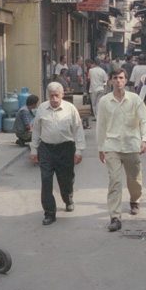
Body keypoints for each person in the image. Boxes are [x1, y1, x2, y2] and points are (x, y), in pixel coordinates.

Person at [97, 68, 146, 231]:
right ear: (111, 81)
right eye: (115, 78)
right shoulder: (105, 101)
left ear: (126, 80)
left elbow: (145, 121)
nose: (118, 80)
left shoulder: (134, 99)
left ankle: (135, 199)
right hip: (112, 146)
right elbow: (101, 126)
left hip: (131, 146)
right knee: (114, 181)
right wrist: (101, 148)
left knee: (134, 181)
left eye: (121, 77)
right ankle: (115, 217)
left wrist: (144, 140)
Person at [30, 82, 85, 225]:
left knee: (65, 179)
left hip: (65, 149)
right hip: (46, 149)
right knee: (46, 180)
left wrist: (79, 150)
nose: (54, 99)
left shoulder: (70, 109)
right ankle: (49, 213)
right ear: (48, 96)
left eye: (56, 95)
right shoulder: (42, 108)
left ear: (62, 94)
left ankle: (68, 198)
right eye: (51, 96)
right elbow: (36, 130)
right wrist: (34, 149)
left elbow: (78, 130)